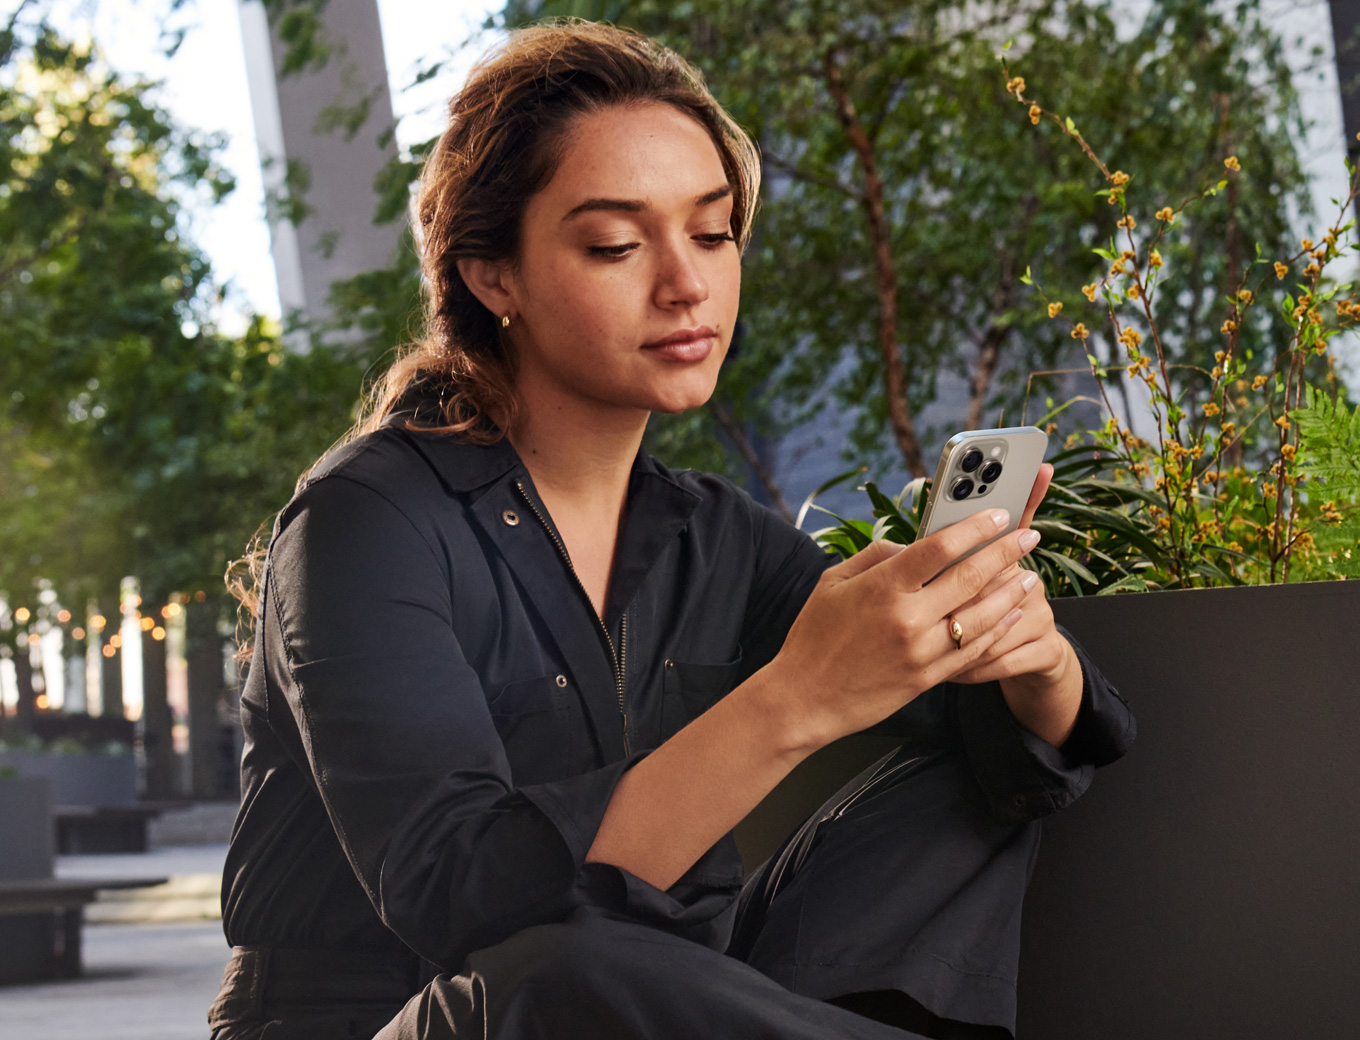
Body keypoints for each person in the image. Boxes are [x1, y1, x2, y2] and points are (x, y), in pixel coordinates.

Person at [210, 20, 1134, 1040]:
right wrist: (799, 696)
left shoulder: (710, 534)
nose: (686, 282)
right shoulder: (364, 519)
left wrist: (1028, 660)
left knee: (962, 782)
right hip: (408, 1018)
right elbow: (457, 897)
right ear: (491, 275)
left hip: (658, 998)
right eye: (614, 243)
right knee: (552, 963)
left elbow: (989, 740)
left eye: (711, 231)